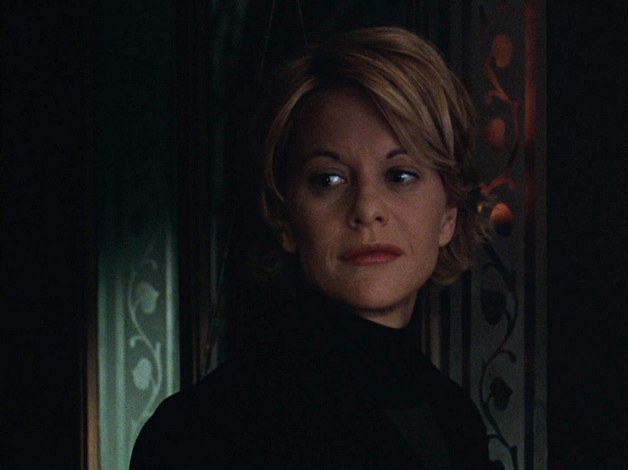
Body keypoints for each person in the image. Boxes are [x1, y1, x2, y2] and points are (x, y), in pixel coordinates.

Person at [131, 26, 490, 469]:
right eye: (328, 179)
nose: (366, 209)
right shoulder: (203, 429)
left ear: (449, 214)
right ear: (285, 219)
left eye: (400, 176)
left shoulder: (455, 418)